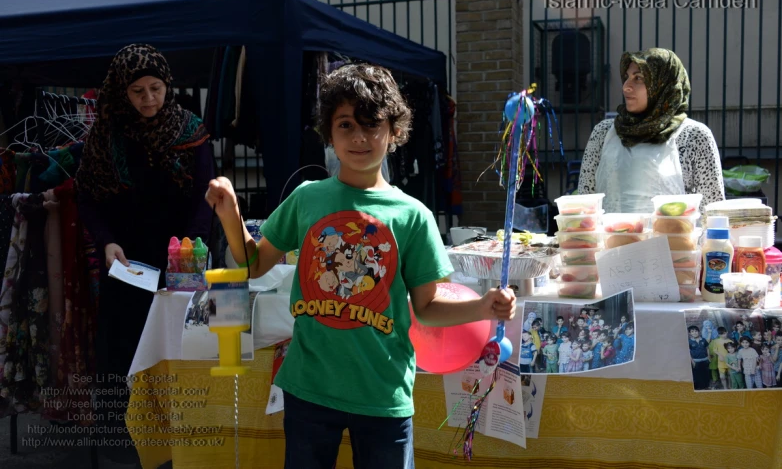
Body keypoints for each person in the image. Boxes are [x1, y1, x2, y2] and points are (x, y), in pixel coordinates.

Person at [205, 64, 515, 469]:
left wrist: (482, 308)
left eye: (371, 124)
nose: (359, 137)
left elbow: (426, 307)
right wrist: (231, 217)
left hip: (382, 394)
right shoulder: (306, 198)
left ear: (395, 131)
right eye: (346, 124)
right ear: (329, 132)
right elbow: (252, 265)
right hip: (309, 388)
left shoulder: (413, 216)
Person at [76, 44, 213, 462]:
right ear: (121, 92)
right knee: (124, 355)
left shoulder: (190, 131)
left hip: (181, 260)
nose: (149, 99)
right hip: (127, 265)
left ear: (167, 86)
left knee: (179, 350)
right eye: (138, 91)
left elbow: (206, 198)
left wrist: (189, 252)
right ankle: (125, 448)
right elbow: (87, 197)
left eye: (156, 88)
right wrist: (106, 240)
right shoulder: (105, 135)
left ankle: (181, 445)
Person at [578, 48, 725, 213]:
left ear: (663, 84)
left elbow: (714, 214)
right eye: (626, 77)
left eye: (638, 78)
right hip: (611, 238)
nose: (626, 87)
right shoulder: (603, 133)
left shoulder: (694, 136)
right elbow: (585, 205)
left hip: (675, 239)